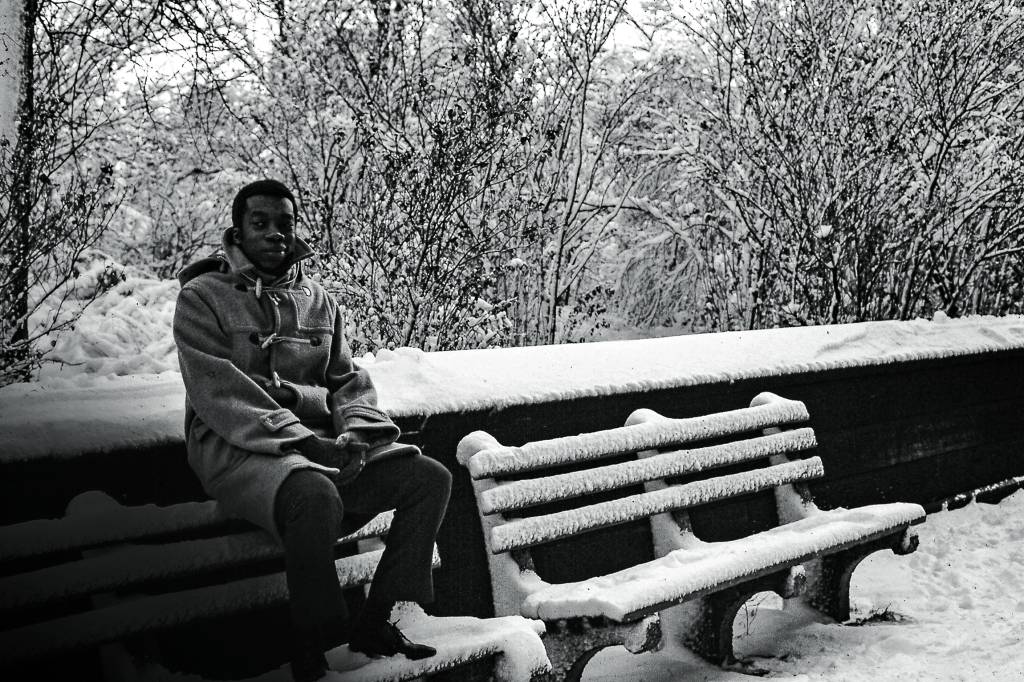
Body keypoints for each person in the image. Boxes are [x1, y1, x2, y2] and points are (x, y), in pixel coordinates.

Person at [172, 179, 452, 682]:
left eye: (285, 223)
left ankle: (375, 620)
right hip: (238, 446)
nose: (276, 233)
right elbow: (220, 393)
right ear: (237, 230)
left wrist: (358, 434)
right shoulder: (201, 297)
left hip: (322, 449)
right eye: (261, 223)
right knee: (315, 493)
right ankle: (311, 646)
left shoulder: (318, 300)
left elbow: (348, 380)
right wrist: (303, 438)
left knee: (430, 478)